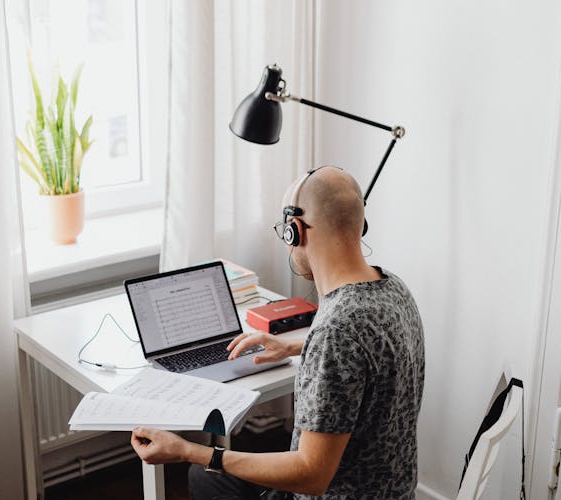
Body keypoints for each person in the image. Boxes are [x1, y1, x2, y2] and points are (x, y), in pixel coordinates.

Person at [130, 166, 425, 499]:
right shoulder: (392, 287)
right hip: (393, 491)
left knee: (204, 474)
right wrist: (295, 347)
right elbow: (369, 352)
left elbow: (311, 475)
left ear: (294, 231)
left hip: (332, 491)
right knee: (212, 476)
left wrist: (187, 449)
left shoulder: (337, 331)